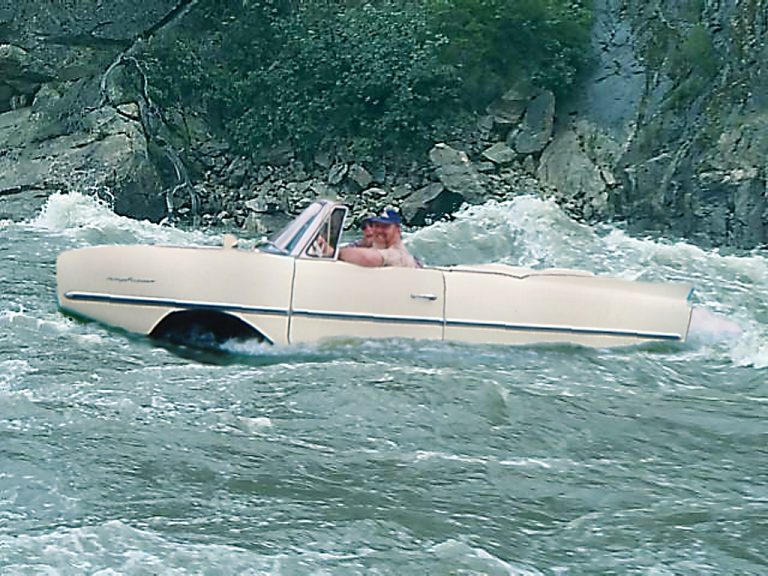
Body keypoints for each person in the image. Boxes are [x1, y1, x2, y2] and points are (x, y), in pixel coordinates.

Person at [338, 207, 418, 268]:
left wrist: (335, 253)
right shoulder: (374, 246)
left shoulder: (399, 255)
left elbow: (368, 258)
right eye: (376, 226)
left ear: (398, 230)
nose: (379, 230)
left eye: (385, 226)